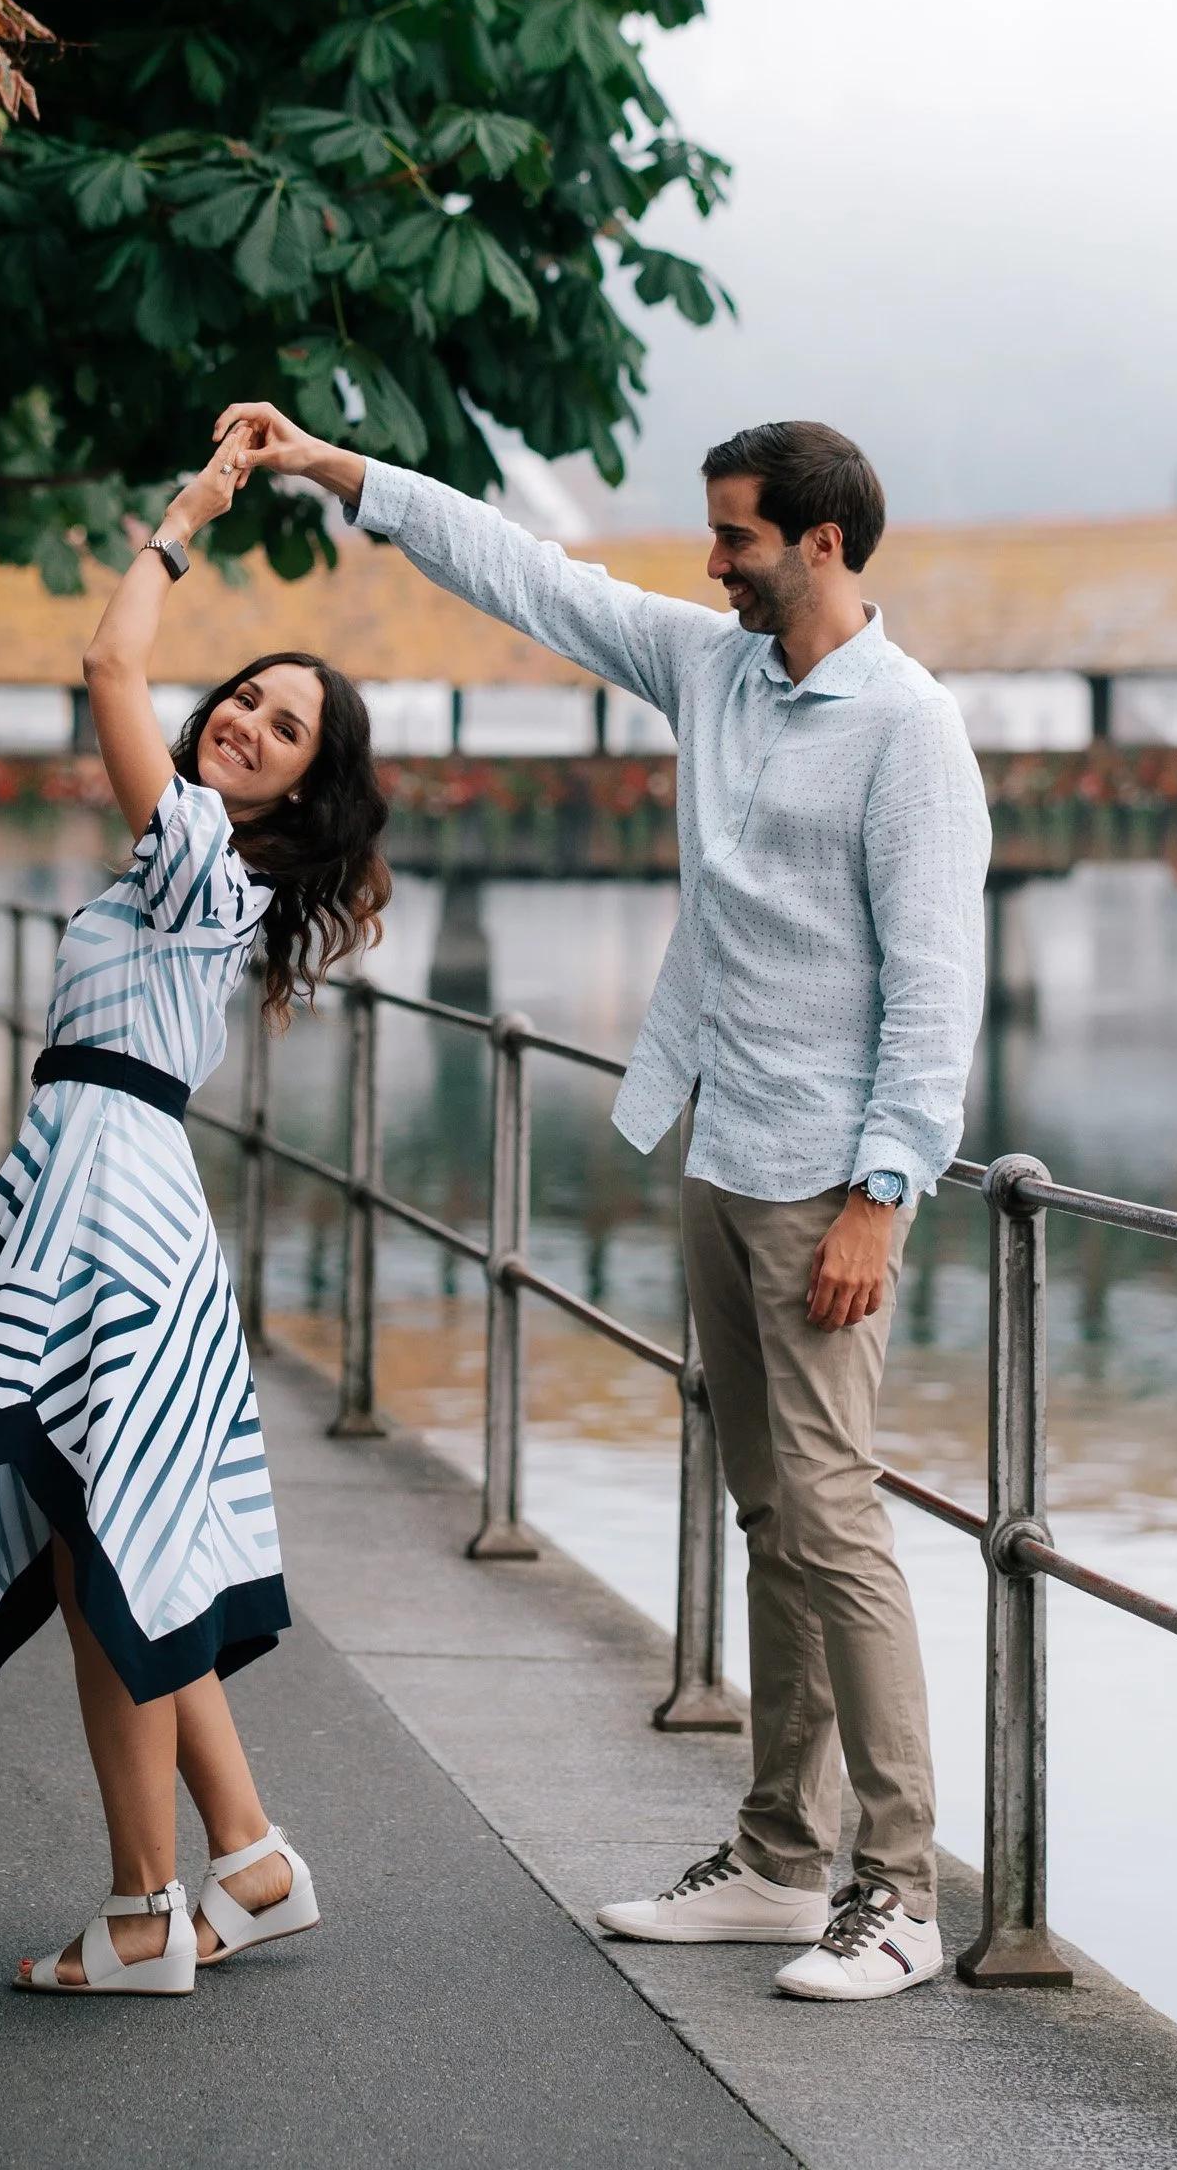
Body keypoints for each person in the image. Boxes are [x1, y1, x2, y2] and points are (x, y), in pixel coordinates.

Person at [219, 402, 990, 2005]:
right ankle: (783, 1860)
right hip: (722, 1142)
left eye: (739, 536)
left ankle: (900, 1892)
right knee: (772, 1515)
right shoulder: (715, 672)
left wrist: (884, 1194)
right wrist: (339, 468)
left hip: (828, 1178)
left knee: (836, 1523)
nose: (713, 560)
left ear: (824, 544)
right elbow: (529, 577)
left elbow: (936, 985)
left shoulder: (908, 730)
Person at [0, 424, 392, 1995]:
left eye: (284, 728)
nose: (248, 728)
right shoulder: (204, 868)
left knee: (104, 1554)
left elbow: (106, 666)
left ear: (303, 784)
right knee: (117, 1536)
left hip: (110, 1214)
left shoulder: (205, 855)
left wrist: (187, 519)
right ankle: (252, 1861)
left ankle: (148, 1916)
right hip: (104, 1198)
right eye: (249, 702)